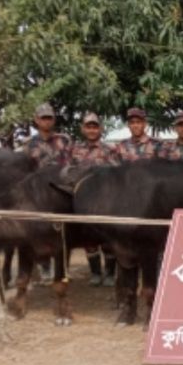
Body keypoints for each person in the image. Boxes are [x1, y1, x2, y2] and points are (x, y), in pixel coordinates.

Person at [68, 112, 118, 286]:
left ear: (101, 129)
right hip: (83, 203)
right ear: (83, 129)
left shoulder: (109, 150)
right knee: (89, 241)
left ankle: (110, 273)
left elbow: (118, 175)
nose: (91, 130)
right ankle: (96, 273)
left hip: (106, 202)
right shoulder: (75, 150)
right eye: (88, 126)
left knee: (108, 240)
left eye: (95, 126)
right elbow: (69, 173)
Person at [21, 103, 71, 167]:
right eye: (43, 118)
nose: (47, 121)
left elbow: (70, 162)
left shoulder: (64, 139)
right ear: (36, 120)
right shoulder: (28, 142)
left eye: (49, 118)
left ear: (54, 120)